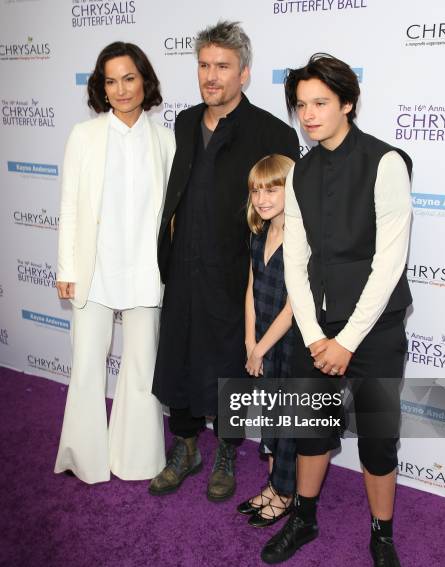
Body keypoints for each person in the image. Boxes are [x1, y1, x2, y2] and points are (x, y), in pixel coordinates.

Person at [260, 54, 412, 567]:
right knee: (310, 431)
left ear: (348, 102)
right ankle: (305, 517)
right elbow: (295, 260)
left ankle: (383, 537)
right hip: (316, 328)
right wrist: (314, 334)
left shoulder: (386, 162)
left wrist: (347, 342)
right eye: (301, 104)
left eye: (320, 102)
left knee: (377, 437)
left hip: (374, 328)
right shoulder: (300, 171)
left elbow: (388, 264)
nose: (308, 114)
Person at [150, 21, 299, 501]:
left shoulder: (272, 132)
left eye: (223, 67)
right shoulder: (186, 120)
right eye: (204, 66)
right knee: (179, 355)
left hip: (238, 273)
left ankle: (227, 451)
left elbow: (283, 212)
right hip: (184, 265)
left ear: (245, 74)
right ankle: (186, 447)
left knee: (230, 364)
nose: (211, 77)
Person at [54, 42, 175, 484]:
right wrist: (67, 268)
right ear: (100, 88)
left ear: (145, 80)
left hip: (146, 270)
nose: (121, 89)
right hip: (95, 268)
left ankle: (138, 459)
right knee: (86, 363)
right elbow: (69, 207)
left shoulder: (166, 139)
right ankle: (84, 457)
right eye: (111, 80)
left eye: (129, 78)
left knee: (142, 367)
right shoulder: (83, 137)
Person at [237, 154, 296, 527]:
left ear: (291, 189)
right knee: (271, 417)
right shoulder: (259, 233)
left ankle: (287, 495)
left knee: (289, 422)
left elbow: (294, 308)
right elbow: (251, 288)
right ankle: (273, 487)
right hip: (261, 343)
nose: (262, 198)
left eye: (272, 188)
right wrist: (249, 340)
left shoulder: (300, 238)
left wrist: (261, 346)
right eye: (256, 190)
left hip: (289, 346)